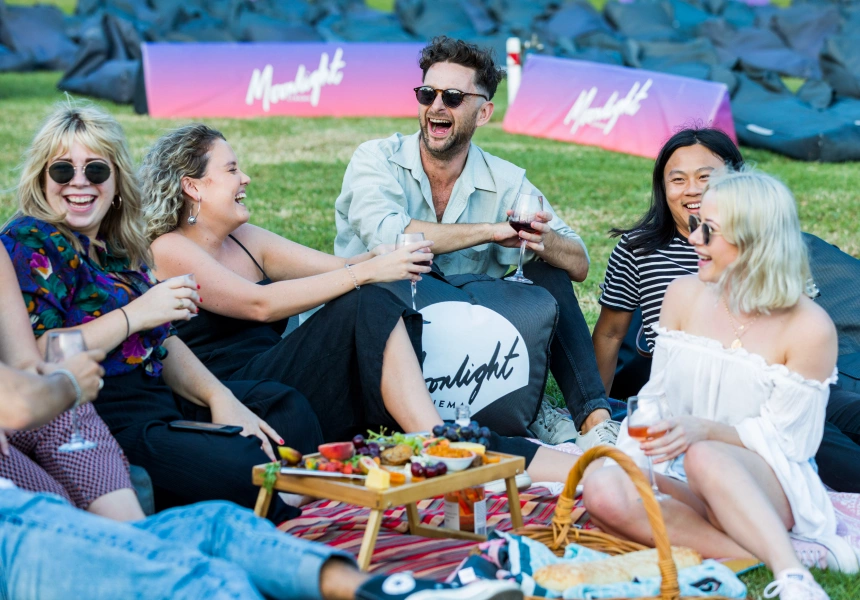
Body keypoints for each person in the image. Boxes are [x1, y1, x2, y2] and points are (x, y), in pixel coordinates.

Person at [140, 123, 582, 485]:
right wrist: (367, 272)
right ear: (193, 187)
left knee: (373, 306)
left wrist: (400, 251)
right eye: (232, 169)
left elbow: (344, 264)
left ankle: (554, 464)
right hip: (231, 393)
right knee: (367, 298)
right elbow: (259, 305)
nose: (245, 179)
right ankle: (435, 439)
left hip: (280, 377)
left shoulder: (247, 240)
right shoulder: (169, 249)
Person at [0, 327, 523, 600]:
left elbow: (34, 396)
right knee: (201, 579)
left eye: (96, 170)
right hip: (18, 524)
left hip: (43, 502)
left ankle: (390, 590)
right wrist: (68, 383)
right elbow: (29, 396)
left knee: (220, 524)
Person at [2, 102, 323, 522]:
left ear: (116, 180)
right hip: (99, 411)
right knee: (242, 462)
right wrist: (135, 315)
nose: (78, 183)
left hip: (160, 399)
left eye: (96, 170)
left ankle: (264, 495)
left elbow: (164, 341)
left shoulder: (116, 247)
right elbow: (39, 353)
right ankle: (264, 505)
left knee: (282, 406)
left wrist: (219, 398)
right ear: (43, 180)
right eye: (63, 170)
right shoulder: (29, 242)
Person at [581, 168, 858, 600]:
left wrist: (705, 432)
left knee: (706, 457)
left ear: (753, 241)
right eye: (696, 225)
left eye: (708, 230)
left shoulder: (808, 327)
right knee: (603, 485)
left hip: (768, 479)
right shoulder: (683, 295)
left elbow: (792, 442)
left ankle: (793, 578)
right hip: (680, 466)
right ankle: (760, 555)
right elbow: (655, 400)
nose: (693, 239)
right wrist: (633, 465)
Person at [333, 36, 613, 450]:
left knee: (545, 262)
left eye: (453, 96)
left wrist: (542, 238)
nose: (436, 107)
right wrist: (491, 229)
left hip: (465, 333)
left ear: (483, 112)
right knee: (412, 267)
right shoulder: (376, 159)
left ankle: (595, 421)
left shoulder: (506, 179)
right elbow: (390, 238)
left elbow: (580, 263)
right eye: (427, 94)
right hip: (383, 321)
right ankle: (527, 409)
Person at [593, 127, 860, 495]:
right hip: (710, 393)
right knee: (823, 444)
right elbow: (610, 334)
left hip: (776, 378)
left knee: (844, 411)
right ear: (663, 186)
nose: (693, 189)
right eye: (678, 179)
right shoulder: (644, 252)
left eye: (705, 177)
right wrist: (594, 415)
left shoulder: (759, 244)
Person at [0, 227, 143, 521]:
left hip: (15, 398)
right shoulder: (32, 238)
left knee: (67, 412)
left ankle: (141, 540)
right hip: (11, 403)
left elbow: (27, 364)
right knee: (60, 510)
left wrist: (58, 384)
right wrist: (69, 384)